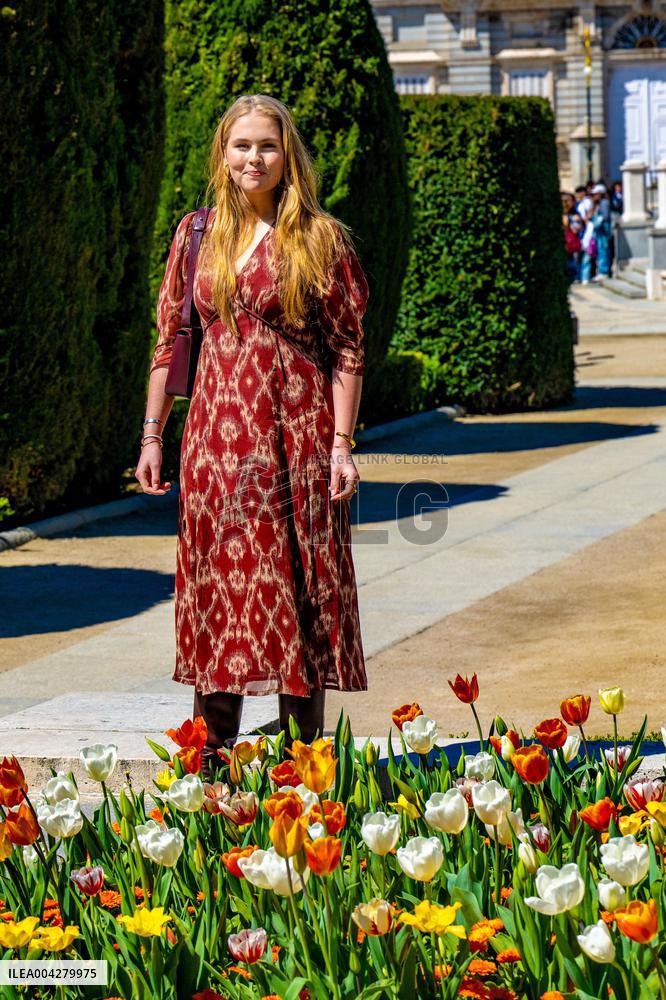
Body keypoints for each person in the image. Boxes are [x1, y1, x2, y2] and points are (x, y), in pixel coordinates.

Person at [135, 93, 369, 776]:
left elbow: (348, 349)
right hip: (212, 444)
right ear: (222, 154)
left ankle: (307, 772)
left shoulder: (321, 239)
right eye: (241, 146)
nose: (253, 158)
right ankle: (212, 774)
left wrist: (342, 446)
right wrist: (153, 435)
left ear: (286, 154)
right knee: (221, 597)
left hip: (296, 442)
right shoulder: (197, 233)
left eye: (266, 146)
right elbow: (170, 339)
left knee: (299, 591)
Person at [561, 192, 583, 284]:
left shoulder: (573, 214)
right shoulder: (568, 215)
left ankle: (574, 277)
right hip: (567, 241)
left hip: (570, 241)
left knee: (571, 261)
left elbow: (577, 228)